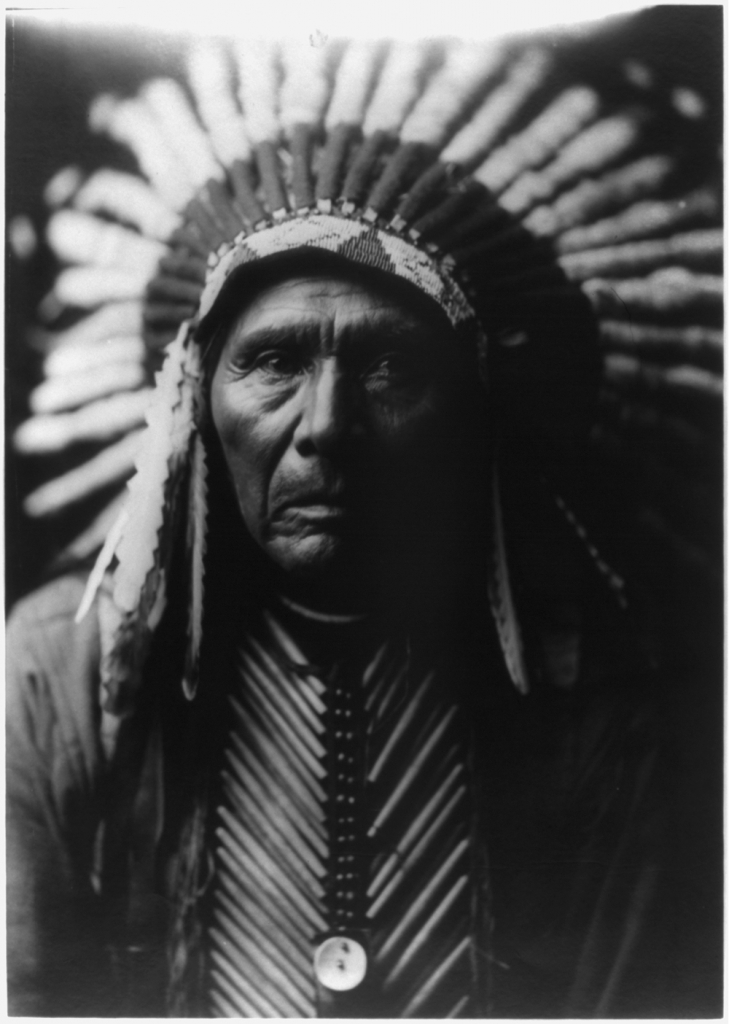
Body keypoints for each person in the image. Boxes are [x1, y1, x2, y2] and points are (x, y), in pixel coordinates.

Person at [6, 30, 722, 1018]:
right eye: (274, 362)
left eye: (390, 366)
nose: (327, 429)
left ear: (470, 407)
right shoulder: (68, 678)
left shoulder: (605, 687)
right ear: (196, 407)